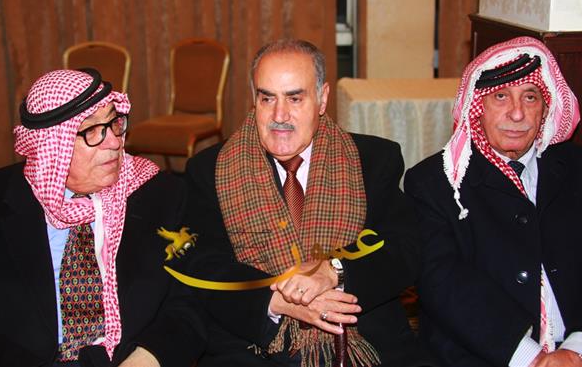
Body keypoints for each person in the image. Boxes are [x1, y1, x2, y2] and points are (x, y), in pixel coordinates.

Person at [176, 39, 434, 367]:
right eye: (267, 98)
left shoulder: (372, 160)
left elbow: (403, 249)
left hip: (363, 340)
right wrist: (275, 300)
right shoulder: (210, 170)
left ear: (322, 99)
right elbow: (203, 263)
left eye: (295, 98)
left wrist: (334, 271)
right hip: (253, 346)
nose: (279, 115)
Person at [0, 69, 204, 367]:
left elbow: (190, 302)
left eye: (114, 123)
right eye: (92, 131)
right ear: (51, 146)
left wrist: (146, 359)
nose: (114, 142)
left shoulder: (162, 195)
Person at [404, 37, 582, 367]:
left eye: (530, 97)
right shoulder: (433, 184)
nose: (517, 113)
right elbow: (444, 283)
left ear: (546, 107)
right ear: (478, 106)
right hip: (486, 356)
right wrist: (532, 359)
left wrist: (581, 351)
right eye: (501, 96)